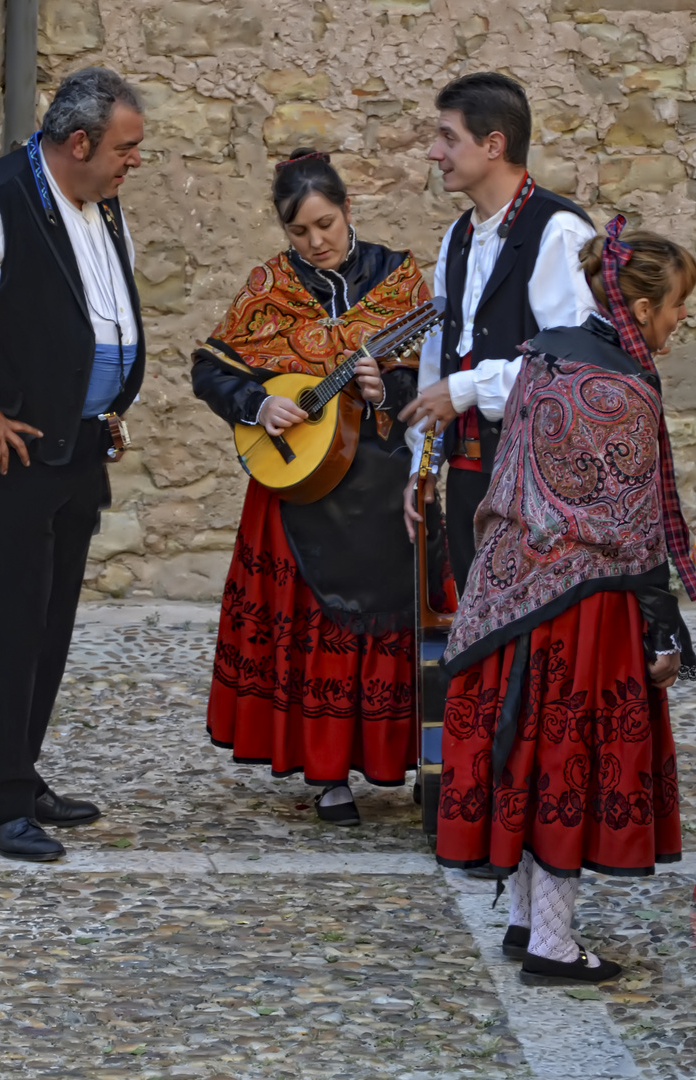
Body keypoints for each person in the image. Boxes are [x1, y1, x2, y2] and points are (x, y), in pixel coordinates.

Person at [435, 217, 696, 985]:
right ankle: (551, 944)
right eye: (679, 303)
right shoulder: (622, 387)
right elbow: (634, 527)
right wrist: (665, 631)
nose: (682, 318)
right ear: (642, 307)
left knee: (526, 749)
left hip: (510, 587)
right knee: (567, 761)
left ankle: (525, 921)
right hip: (585, 606)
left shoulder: (542, 356)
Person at [0, 68, 146, 861]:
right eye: (125, 147)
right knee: (10, 624)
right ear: (77, 142)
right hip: (7, 449)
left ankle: (21, 771)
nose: (133, 161)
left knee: (50, 622)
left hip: (75, 443)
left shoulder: (97, 201)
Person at [191, 149, 453, 826]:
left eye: (325, 224)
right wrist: (257, 405)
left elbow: (429, 379)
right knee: (312, 630)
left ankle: (420, 763)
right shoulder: (269, 288)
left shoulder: (398, 281)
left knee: (402, 622)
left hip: (385, 481)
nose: (316, 243)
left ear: (347, 210)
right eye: (299, 232)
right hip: (300, 490)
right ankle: (328, 774)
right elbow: (211, 368)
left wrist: (383, 387)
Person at [400, 72, 596, 594]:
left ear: (493, 145)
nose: (433, 152)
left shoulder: (558, 231)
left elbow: (573, 369)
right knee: (475, 628)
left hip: (541, 486)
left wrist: (467, 390)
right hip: (471, 477)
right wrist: (423, 465)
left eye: (447, 137)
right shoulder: (458, 238)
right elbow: (439, 361)